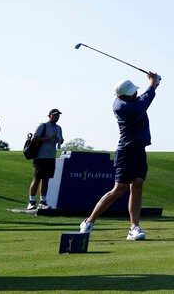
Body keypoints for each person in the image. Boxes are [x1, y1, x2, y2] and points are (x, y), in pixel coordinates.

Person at [80, 71, 160, 241]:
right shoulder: (123, 107)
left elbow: (144, 97)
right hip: (127, 151)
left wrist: (154, 84)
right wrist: (153, 84)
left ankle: (134, 228)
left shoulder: (130, 100)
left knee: (137, 185)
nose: (136, 93)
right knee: (119, 190)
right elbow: (144, 101)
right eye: (133, 92)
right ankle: (88, 221)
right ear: (125, 95)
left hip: (139, 150)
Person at [27, 109, 63, 210]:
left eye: (58, 115)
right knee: (37, 179)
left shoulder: (58, 128)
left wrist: (60, 140)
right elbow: (33, 138)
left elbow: (61, 139)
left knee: (46, 180)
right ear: (49, 115)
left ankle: (43, 201)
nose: (57, 117)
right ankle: (31, 201)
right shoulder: (42, 126)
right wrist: (48, 139)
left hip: (51, 157)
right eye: (55, 115)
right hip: (40, 156)